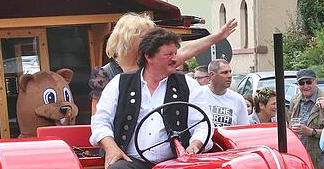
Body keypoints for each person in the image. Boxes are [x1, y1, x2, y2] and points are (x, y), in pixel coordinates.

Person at [90, 27, 211, 169]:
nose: (176, 59)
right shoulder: (120, 84)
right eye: (169, 54)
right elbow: (100, 121)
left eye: (176, 53)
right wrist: (112, 148)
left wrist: (195, 144)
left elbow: (202, 124)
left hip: (175, 163)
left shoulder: (188, 85)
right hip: (133, 161)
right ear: (149, 57)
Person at [89, 12, 236, 113]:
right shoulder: (105, 74)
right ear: (127, 39)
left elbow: (188, 49)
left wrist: (218, 36)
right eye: (146, 37)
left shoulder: (155, 64)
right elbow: (98, 117)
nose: (153, 42)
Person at [192, 59, 250, 128]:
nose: (229, 76)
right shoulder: (198, 94)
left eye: (230, 72)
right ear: (212, 75)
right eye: (224, 73)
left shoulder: (238, 99)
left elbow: (243, 129)